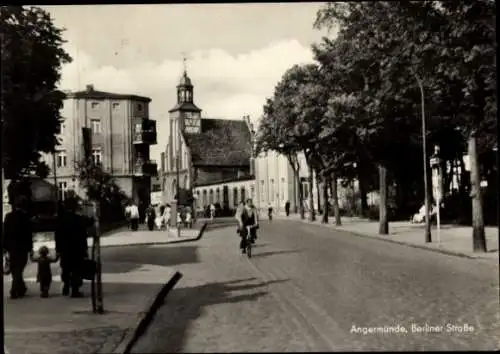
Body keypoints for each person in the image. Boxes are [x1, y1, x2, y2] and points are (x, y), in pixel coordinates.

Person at [55, 197, 90, 297]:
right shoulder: (79, 219)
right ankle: (75, 290)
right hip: (77, 249)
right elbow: (83, 236)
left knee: (65, 268)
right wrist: (85, 249)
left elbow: (57, 235)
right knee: (76, 269)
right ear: (75, 207)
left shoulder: (60, 220)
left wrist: (58, 249)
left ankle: (66, 285)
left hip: (65, 249)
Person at [3, 195, 33, 299]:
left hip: (11, 246)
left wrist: (4, 246)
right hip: (22, 246)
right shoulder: (25, 217)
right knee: (19, 268)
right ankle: (14, 289)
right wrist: (30, 248)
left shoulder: (8, 216)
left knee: (15, 266)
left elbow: (5, 232)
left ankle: (21, 288)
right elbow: (28, 234)